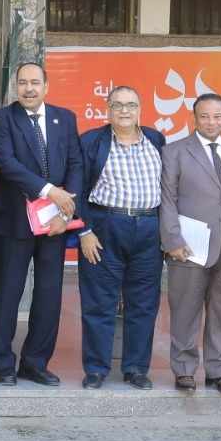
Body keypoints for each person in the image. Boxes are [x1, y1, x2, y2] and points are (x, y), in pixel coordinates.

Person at [0, 62, 83, 386]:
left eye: (35, 83)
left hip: (55, 223)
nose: (29, 88)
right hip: (14, 222)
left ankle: (35, 362)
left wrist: (65, 214)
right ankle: (4, 362)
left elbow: (76, 164)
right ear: (16, 86)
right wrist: (50, 191)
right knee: (8, 294)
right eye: (23, 83)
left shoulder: (64, 118)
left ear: (46, 86)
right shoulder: (2, 119)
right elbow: (6, 163)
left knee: (49, 295)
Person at [159, 93, 221, 394]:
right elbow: (167, 199)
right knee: (185, 310)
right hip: (189, 247)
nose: (211, 122)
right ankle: (184, 370)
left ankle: (218, 371)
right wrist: (172, 239)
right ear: (194, 118)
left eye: (217, 116)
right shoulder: (175, 152)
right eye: (204, 116)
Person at [76, 86, 165, 390]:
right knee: (99, 301)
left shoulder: (156, 140)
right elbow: (76, 189)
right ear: (108, 109)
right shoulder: (91, 141)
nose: (125, 111)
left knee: (144, 303)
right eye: (118, 105)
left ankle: (136, 368)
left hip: (149, 228)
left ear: (140, 109)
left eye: (131, 105)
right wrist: (84, 231)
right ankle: (96, 369)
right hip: (105, 228)